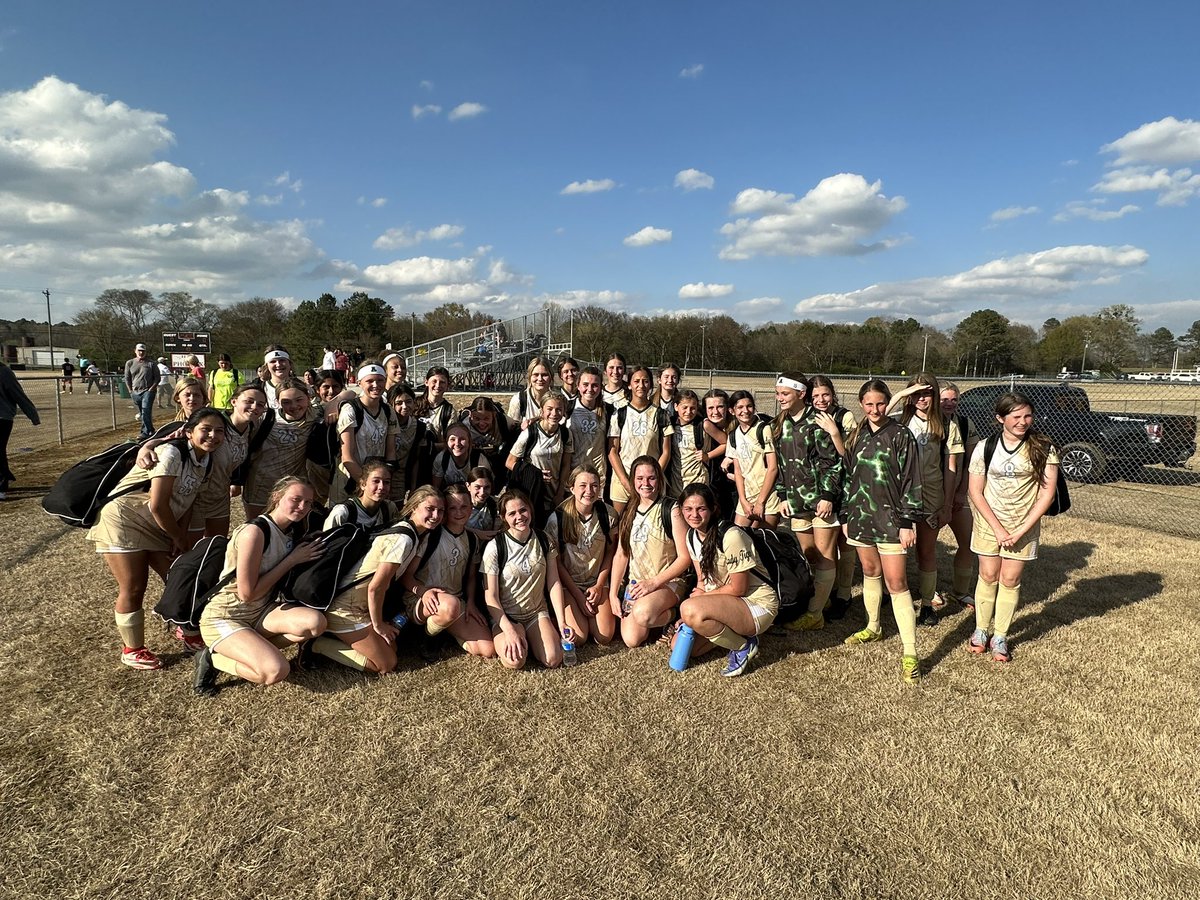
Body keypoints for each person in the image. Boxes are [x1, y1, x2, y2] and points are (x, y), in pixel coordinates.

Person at [86, 407, 226, 670]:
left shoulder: (205, 460)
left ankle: (186, 631)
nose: (213, 435)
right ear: (189, 432)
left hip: (158, 525)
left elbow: (187, 501)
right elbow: (158, 505)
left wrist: (179, 535)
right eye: (206, 429)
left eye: (219, 431)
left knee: (180, 578)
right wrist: (178, 537)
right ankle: (133, 649)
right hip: (124, 520)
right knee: (134, 586)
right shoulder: (171, 453)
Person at [193, 476, 327, 696]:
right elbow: (247, 594)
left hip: (262, 610)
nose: (302, 507)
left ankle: (253, 645)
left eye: (308, 502)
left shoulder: (292, 531)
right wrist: (292, 560)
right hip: (227, 615)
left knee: (315, 623)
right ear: (276, 497)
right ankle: (213, 658)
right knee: (276, 671)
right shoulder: (254, 532)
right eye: (296, 499)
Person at [966, 392, 1061, 663]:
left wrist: (1020, 530)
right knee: (988, 575)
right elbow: (975, 491)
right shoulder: (985, 447)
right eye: (1016, 416)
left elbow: (1047, 494)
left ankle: (1000, 636)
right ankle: (981, 630)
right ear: (1000, 418)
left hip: (1023, 526)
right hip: (989, 524)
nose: (1022, 422)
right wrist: (997, 528)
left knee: (1010, 580)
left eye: (1027, 416)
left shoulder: (1043, 448)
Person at [309, 485, 443, 674]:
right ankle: (317, 644)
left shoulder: (411, 533)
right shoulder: (403, 539)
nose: (436, 515)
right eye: (430, 509)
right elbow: (375, 588)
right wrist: (379, 626)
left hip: (361, 606)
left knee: (392, 648)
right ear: (414, 507)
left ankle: (342, 636)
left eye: (440, 510)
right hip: (345, 609)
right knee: (387, 664)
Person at [840, 379, 923, 684]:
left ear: (888, 403)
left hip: (892, 521)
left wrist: (907, 522)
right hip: (860, 518)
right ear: (861, 405)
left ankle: (910, 652)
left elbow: (912, 480)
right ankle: (873, 627)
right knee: (870, 572)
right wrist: (845, 513)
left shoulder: (901, 435)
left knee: (897, 583)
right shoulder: (857, 434)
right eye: (869, 404)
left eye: (880, 403)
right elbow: (847, 476)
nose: (875, 410)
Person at [679, 483, 779, 677]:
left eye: (701, 509)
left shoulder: (731, 535)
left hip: (756, 603)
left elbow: (739, 588)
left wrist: (698, 602)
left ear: (713, 509)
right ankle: (733, 633)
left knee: (690, 610)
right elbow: (702, 581)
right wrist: (695, 604)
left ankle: (744, 646)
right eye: (688, 509)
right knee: (687, 647)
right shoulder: (691, 536)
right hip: (727, 601)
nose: (694, 515)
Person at [887, 373, 964, 626]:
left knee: (926, 550)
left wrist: (947, 504)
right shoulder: (899, 420)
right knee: (897, 549)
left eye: (927, 393)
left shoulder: (946, 425)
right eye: (916, 393)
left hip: (931, 495)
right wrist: (901, 395)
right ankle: (895, 595)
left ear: (935, 395)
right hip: (899, 496)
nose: (921, 398)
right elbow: (873, 417)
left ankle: (928, 604)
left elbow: (951, 467)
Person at [773, 373, 841, 629]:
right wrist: (782, 495)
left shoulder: (818, 421)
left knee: (824, 557)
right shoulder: (780, 424)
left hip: (821, 503)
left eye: (785, 394)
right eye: (778, 394)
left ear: (801, 394)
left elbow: (831, 463)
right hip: (796, 504)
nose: (780, 398)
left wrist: (827, 496)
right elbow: (780, 465)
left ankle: (815, 615)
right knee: (809, 555)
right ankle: (821, 599)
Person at [400, 483, 495, 658]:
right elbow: (406, 577)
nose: (459, 512)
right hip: (422, 598)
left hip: (455, 601)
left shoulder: (472, 539)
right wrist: (423, 592)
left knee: (487, 650)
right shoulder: (431, 535)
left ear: (471, 508)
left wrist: (471, 602)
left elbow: (471, 577)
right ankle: (427, 637)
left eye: (464, 506)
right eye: (452, 508)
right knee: (450, 606)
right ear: (445, 511)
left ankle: (444, 628)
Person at [608, 456, 691, 648]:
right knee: (631, 639)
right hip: (638, 585)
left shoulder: (672, 509)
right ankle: (657, 616)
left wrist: (653, 583)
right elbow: (621, 555)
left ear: (659, 479)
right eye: (640, 478)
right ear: (633, 480)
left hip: (667, 582)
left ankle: (675, 614)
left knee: (643, 614)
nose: (645, 483)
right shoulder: (628, 511)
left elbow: (685, 558)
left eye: (651, 478)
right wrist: (613, 594)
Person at [481, 488, 567, 670]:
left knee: (553, 659)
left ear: (530, 510)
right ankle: (513, 636)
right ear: (503, 517)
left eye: (523, 510)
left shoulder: (544, 539)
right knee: (516, 661)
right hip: (508, 616)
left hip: (536, 612)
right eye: (512, 513)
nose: (519, 516)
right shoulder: (495, 547)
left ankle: (536, 636)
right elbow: (491, 597)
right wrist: (509, 631)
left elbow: (554, 583)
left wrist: (562, 622)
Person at [546, 465, 618, 645]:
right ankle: (552, 620)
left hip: (596, 582)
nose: (589, 491)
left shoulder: (608, 514)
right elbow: (556, 563)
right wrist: (578, 596)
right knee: (578, 637)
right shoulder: (558, 518)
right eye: (583, 485)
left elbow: (611, 551)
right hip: (570, 584)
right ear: (572, 488)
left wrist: (599, 585)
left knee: (604, 636)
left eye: (594, 485)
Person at [810, 376, 857, 615]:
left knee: (845, 542)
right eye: (816, 396)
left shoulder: (844, 416)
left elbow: (851, 456)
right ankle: (830, 591)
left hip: (845, 488)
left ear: (833, 394)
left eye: (825, 394)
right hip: (819, 489)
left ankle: (844, 594)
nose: (821, 400)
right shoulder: (809, 417)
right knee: (826, 545)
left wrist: (835, 432)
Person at [242, 381, 319, 520]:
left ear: (308, 398)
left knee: (288, 527)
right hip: (259, 484)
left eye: (299, 400)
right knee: (257, 525)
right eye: (286, 402)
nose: (294, 406)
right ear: (277, 402)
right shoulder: (265, 417)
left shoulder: (315, 415)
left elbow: (347, 394)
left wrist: (332, 408)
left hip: (291, 487)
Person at [607, 365, 674, 515]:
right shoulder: (619, 414)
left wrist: (653, 477)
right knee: (618, 524)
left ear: (650, 385)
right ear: (629, 384)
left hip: (650, 483)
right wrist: (626, 482)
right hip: (622, 481)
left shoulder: (661, 415)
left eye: (645, 381)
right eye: (636, 381)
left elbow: (666, 452)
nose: (641, 385)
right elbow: (612, 451)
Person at [939, 381, 980, 610]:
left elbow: (971, 462)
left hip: (956, 495)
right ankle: (929, 591)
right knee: (927, 546)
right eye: (944, 399)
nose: (950, 403)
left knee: (968, 542)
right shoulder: (924, 423)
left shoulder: (965, 424)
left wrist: (961, 493)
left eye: (954, 399)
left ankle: (961, 592)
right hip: (931, 496)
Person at [331, 364, 397, 506]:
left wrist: (384, 481)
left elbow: (390, 451)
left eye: (380, 380)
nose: (376, 385)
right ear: (360, 383)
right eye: (370, 381)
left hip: (375, 484)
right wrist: (365, 485)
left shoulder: (388, 411)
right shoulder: (350, 409)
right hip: (349, 481)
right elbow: (347, 457)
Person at [506, 391, 573, 520]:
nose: (554, 413)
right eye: (550, 409)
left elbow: (566, 465)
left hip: (554, 494)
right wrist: (534, 473)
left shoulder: (565, 434)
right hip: (532, 493)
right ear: (542, 410)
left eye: (559, 409)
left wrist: (560, 494)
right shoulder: (530, 433)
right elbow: (509, 462)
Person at [727, 390, 780, 528]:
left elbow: (773, 468)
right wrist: (743, 501)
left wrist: (760, 502)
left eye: (749, 406)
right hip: (747, 496)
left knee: (763, 537)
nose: (745, 411)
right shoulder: (733, 436)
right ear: (732, 411)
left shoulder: (764, 429)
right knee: (738, 535)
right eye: (740, 407)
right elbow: (738, 471)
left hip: (768, 496)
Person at [0, 361, 40, 501]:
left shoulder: (4, 372)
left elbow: (18, 395)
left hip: (2, 418)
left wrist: (33, 415)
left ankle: (1, 487)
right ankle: (5, 477)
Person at [566, 366, 609, 493]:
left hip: (598, 476)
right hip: (573, 473)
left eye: (595, 385)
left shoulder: (609, 410)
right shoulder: (568, 408)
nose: (590, 389)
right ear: (578, 385)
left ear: (600, 387)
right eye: (585, 385)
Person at [665, 389, 709, 498]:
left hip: (697, 479)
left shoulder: (702, 425)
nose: (688, 412)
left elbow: (725, 442)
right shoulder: (670, 424)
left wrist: (708, 455)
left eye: (693, 408)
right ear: (676, 407)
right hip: (675, 482)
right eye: (684, 407)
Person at [432, 422, 491, 489]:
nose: (457, 443)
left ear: (469, 441)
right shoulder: (442, 459)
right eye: (452, 439)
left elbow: (484, 490)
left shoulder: (479, 460)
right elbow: (436, 489)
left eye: (462, 439)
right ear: (446, 442)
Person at [124, 343, 161, 440]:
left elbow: (157, 378)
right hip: (135, 391)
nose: (141, 353)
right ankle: (151, 430)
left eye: (143, 351)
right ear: (135, 351)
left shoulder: (151, 364)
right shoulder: (130, 363)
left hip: (147, 391)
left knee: (145, 411)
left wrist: (151, 388)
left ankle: (144, 432)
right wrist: (130, 390)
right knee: (142, 413)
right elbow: (127, 377)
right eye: (139, 350)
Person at [506, 356, 554, 428]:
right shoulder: (519, 400)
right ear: (529, 377)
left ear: (551, 377)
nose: (540, 379)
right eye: (536, 375)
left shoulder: (557, 401)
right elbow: (511, 429)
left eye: (544, 375)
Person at [415, 366, 455, 445]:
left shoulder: (449, 411)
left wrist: (431, 446)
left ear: (447, 385)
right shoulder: (414, 404)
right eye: (434, 381)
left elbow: (450, 441)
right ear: (426, 382)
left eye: (442, 382)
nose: (438, 385)